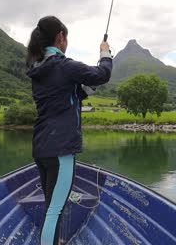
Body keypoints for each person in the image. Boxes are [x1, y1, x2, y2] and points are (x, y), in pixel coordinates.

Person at [26, 16, 113, 245]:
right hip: (61, 149)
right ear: (60, 37)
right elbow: (103, 74)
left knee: (50, 206)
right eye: (66, 38)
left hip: (41, 147)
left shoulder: (39, 69)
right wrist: (105, 52)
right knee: (54, 211)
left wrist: (84, 90)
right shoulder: (65, 66)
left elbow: (65, 95)